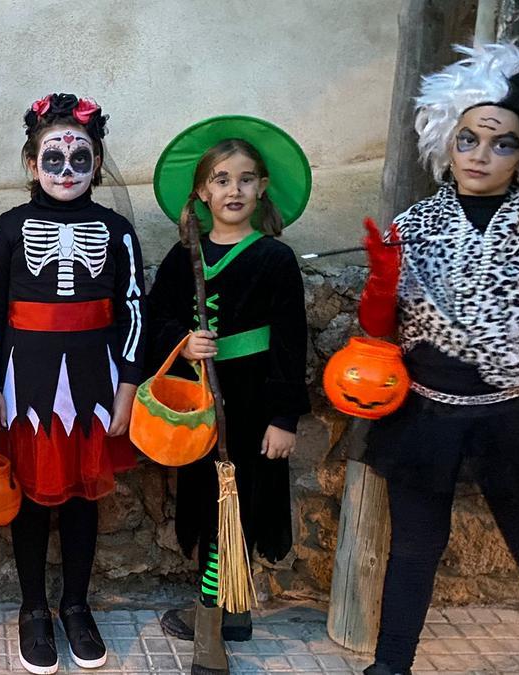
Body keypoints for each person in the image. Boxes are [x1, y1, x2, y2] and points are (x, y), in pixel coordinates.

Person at [357, 44, 519, 675]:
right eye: (469, 139)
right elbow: (379, 332)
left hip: (514, 416)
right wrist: (381, 281)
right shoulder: (415, 224)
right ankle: (390, 666)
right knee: (415, 551)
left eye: (502, 143)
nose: (481, 155)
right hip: (427, 415)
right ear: (446, 142)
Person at [0, 92, 145, 674]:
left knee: (81, 497)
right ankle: (32, 608)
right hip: (28, 382)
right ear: (31, 163)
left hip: (97, 379)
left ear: (97, 162)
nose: (67, 170)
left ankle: (76, 604)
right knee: (29, 493)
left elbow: (132, 309)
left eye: (81, 157)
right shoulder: (8, 228)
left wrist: (128, 386)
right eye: (53, 158)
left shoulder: (117, 230)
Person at [147, 117, 312, 675]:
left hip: (254, 406)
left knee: (236, 510)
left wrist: (285, 416)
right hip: (201, 410)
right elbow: (156, 318)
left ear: (262, 186)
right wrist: (182, 340)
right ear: (202, 192)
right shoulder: (183, 257)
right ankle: (230, 610)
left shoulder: (274, 258)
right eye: (221, 179)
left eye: (245, 179)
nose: (233, 190)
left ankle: (211, 631)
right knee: (210, 509)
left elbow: (293, 344)